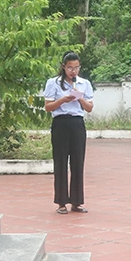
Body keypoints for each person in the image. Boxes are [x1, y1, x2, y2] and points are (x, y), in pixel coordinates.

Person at [44, 51, 95, 213]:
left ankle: (77, 201)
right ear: (63, 67)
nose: (73, 71)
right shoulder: (53, 83)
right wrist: (62, 100)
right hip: (60, 123)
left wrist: (79, 97)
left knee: (77, 162)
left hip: (77, 124)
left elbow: (89, 108)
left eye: (76, 68)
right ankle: (61, 202)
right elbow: (48, 107)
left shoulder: (84, 83)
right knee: (60, 162)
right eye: (70, 68)